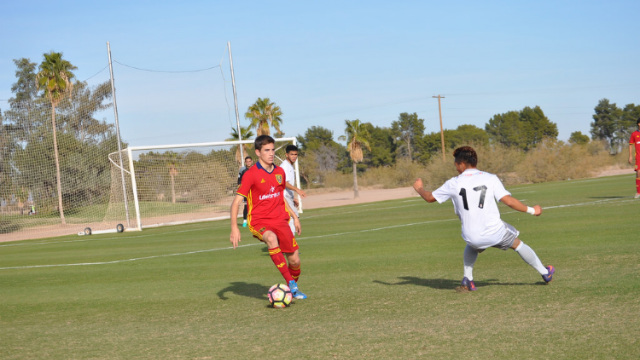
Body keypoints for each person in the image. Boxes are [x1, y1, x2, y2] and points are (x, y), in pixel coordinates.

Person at [412, 146, 554, 291]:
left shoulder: (453, 183)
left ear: (461, 164)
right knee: (517, 244)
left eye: (455, 164)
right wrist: (532, 210)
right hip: (495, 232)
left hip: (470, 236)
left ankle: (468, 279)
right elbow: (509, 201)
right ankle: (545, 272)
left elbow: (429, 198)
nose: (455, 167)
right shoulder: (490, 178)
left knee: (473, 244)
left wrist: (419, 189)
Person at [230, 135, 307, 299]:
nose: (271, 153)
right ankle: (291, 284)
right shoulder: (250, 174)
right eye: (266, 150)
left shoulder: (279, 172)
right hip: (259, 221)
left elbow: (281, 198)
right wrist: (234, 227)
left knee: (295, 261)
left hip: (281, 220)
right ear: (258, 152)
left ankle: (291, 288)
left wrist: (295, 217)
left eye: (272, 150)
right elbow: (236, 203)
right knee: (271, 239)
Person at [279, 144, 307, 234]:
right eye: (292, 154)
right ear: (286, 154)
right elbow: (283, 182)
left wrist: (292, 197)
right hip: (284, 197)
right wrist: (297, 190)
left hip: (287, 197)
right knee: (293, 218)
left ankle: (288, 243)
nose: (294, 156)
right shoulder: (285, 166)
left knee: (291, 220)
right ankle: (289, 245)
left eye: (295, 154)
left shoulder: (290, 166)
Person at [237, 156, 253, 227]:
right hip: (246, 191)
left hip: (254, 191)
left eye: (250, 161)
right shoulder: (242, 170)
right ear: (245, 162)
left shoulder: (255, 169)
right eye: (247, 161)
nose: (248, 163)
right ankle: (244, 221)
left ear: (251, 162)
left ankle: (254, 220)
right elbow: (239, 181)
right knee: (246, 205)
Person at [628, 117, 640, 199]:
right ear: (638, 124)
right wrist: (630, 156)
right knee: (638, 173)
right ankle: (638, 192)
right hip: (638, 157)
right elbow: (630, 145)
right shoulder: (634, 134)